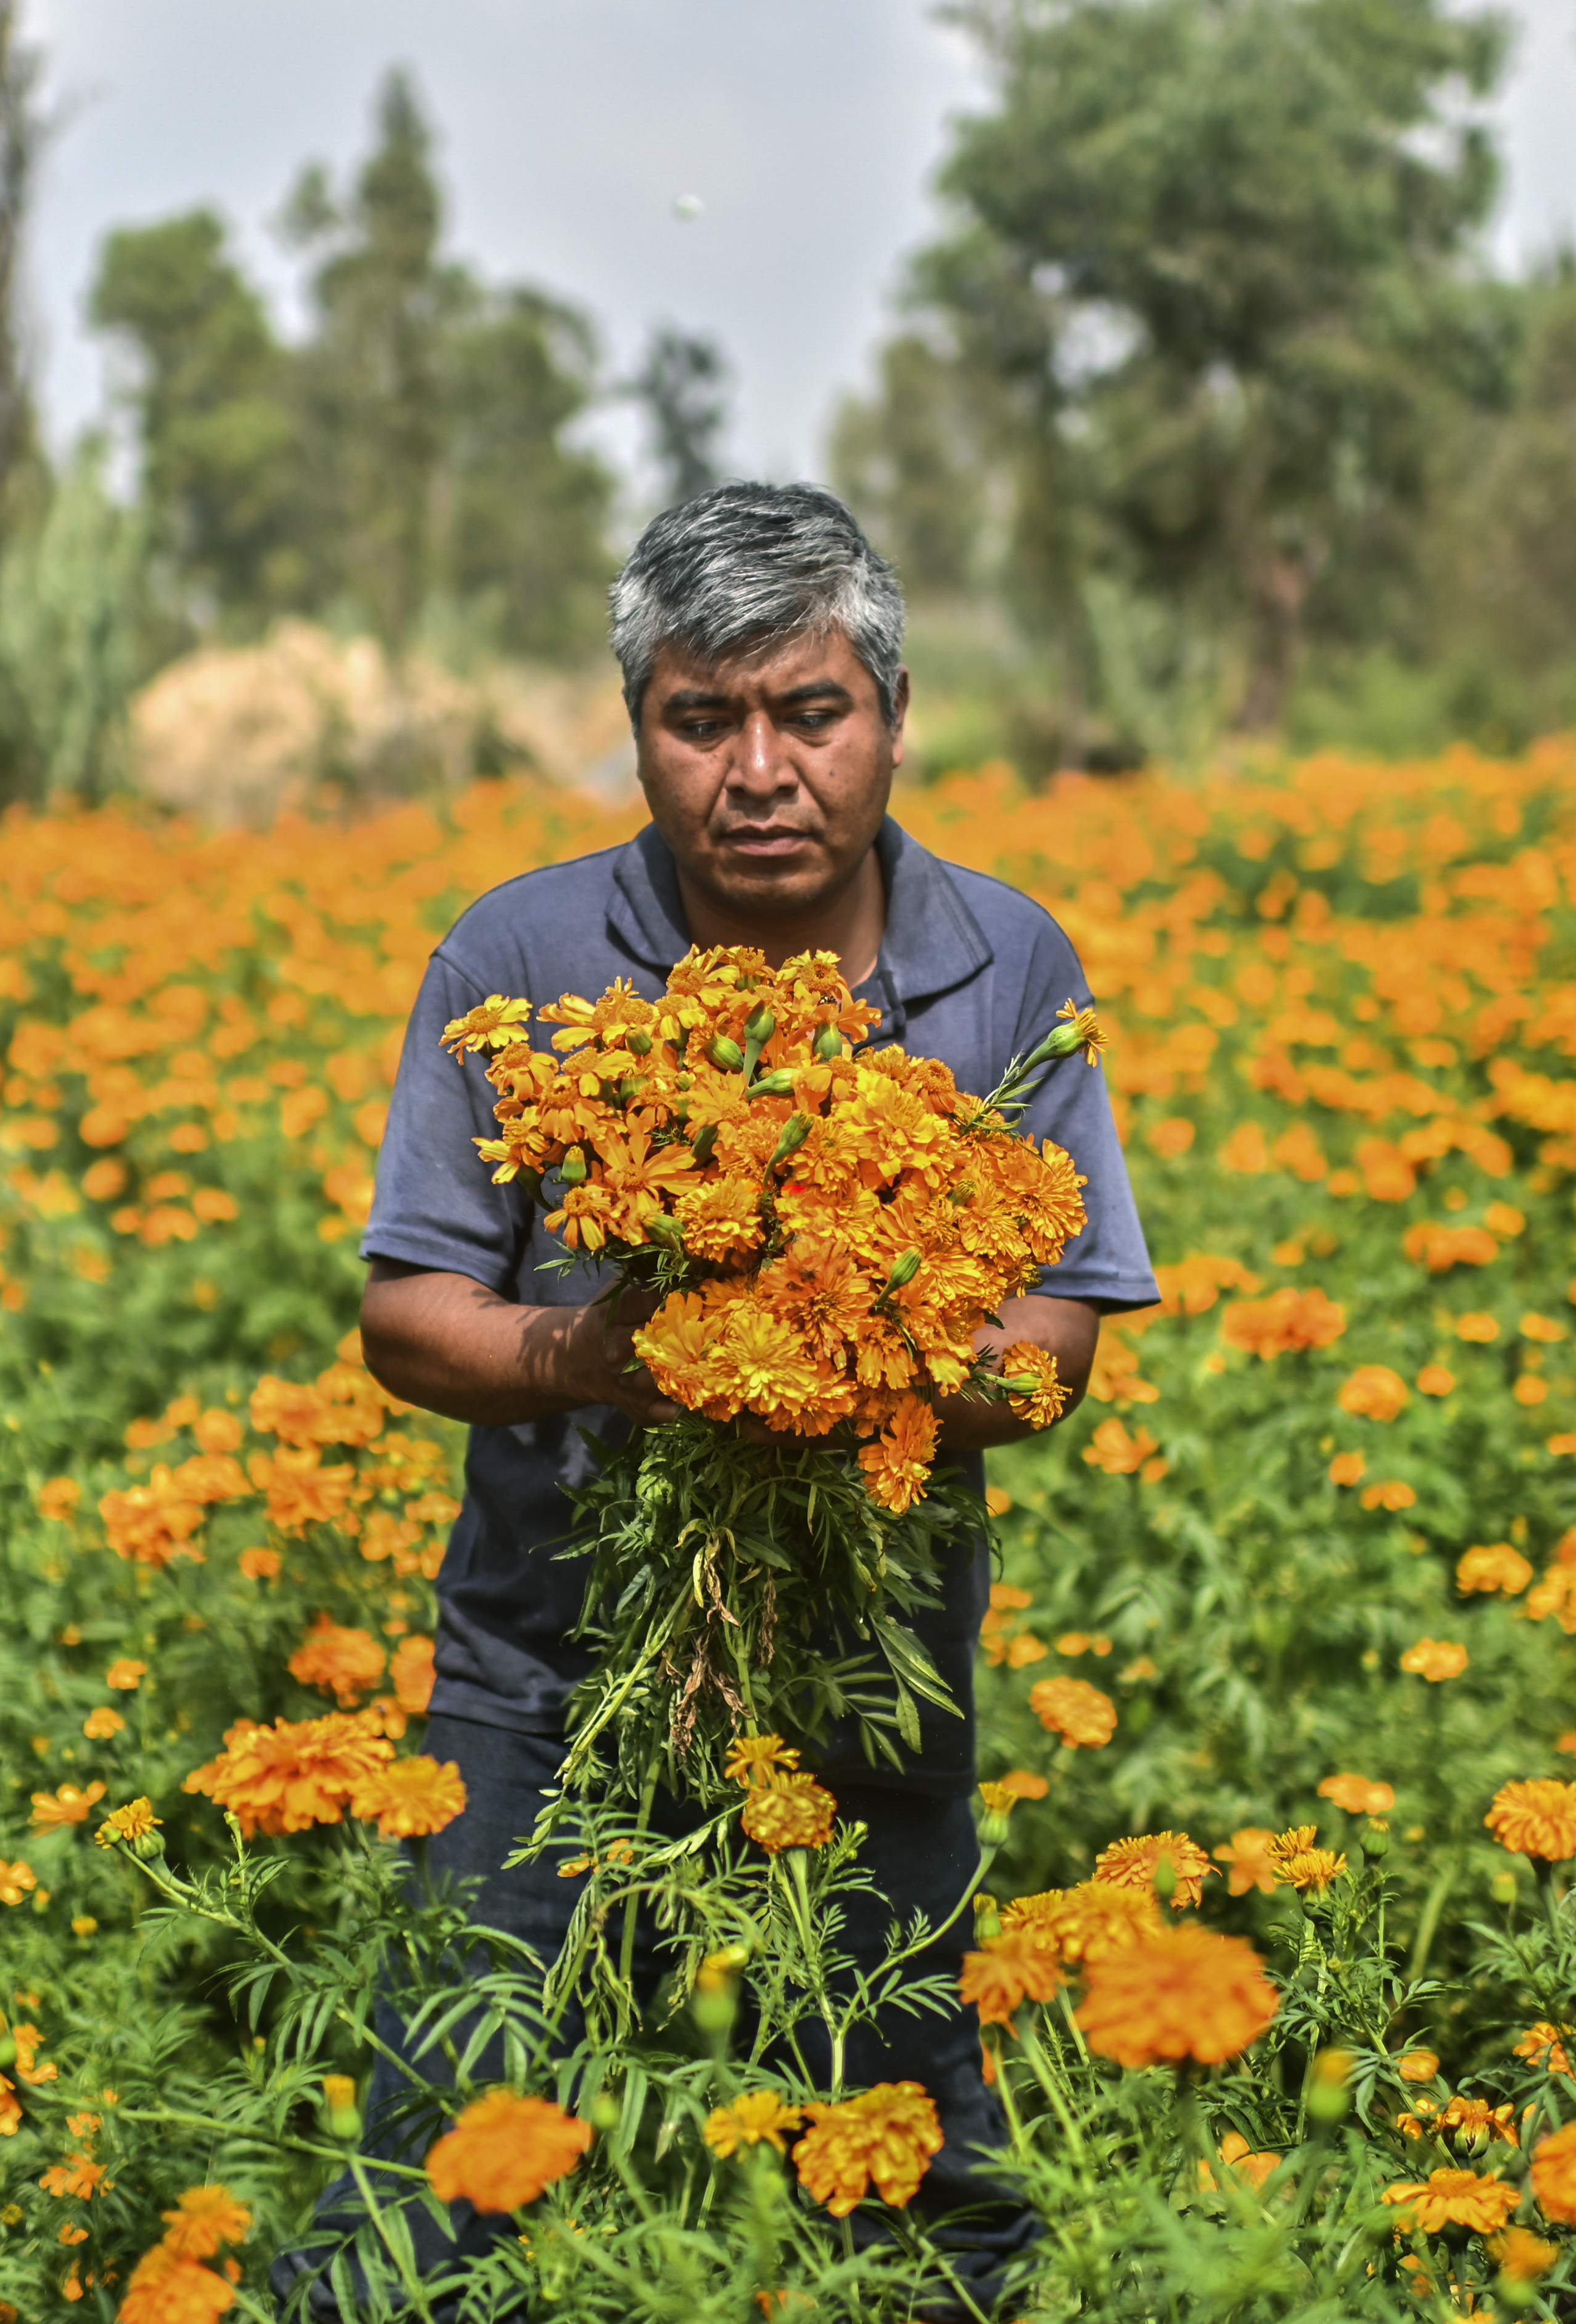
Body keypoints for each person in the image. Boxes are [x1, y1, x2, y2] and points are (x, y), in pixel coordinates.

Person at [330, 481, 1157, 2315]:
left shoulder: (1007, 966)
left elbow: (1059, 1346)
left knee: (921, 2173)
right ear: (640, 735)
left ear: (891, 715)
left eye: (809, 711)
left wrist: (855, 1372)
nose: (758, 768)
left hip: (870, 1678)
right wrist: (616, 1360)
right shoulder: (522, 964)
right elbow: (406, 1319)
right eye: (703, 720)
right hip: (550, 1677)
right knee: (430, 2158)